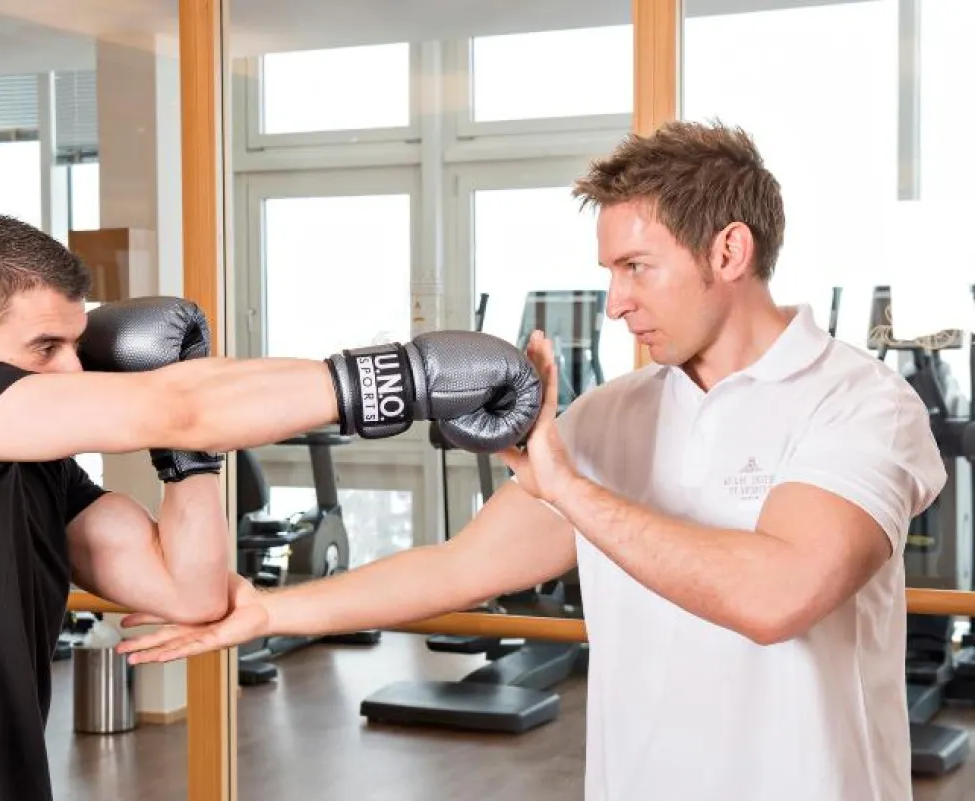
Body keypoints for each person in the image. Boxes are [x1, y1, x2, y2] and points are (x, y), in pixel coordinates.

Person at [117, 121, 947, 801]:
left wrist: (567, 487)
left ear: (728, 252)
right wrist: (268, 611)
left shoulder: (859, 402)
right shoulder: (614, 415)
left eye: (636, 267)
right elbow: (461, 566)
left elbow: (777, 595)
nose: (616, 301)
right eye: (609, 272)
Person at [0, 214, 542, 801]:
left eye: (78, 344)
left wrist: (190, 459)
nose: (75, 369)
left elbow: (189, 589)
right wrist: (404, 377)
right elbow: (176, 407)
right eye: (45, 347)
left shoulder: (37, 470)